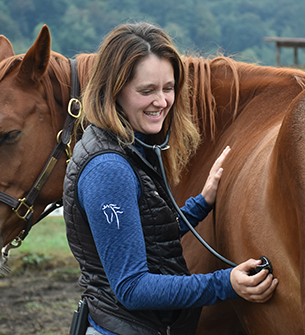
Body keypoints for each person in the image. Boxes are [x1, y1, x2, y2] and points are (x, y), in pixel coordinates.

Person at [63, 21, 278, 335]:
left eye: (168, 88)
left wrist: (200, 204)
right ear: (114, 90)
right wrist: (225, 282)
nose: (162, 102)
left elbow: (143, 237)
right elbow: (133, 288)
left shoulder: (128, 145)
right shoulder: (108, 168)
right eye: (146, 90)